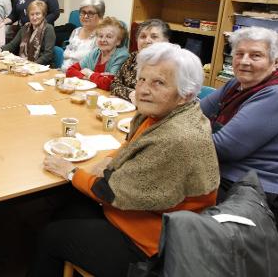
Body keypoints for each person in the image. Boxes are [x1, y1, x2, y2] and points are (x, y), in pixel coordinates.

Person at [31, 43, 219, 276]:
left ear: (185, 95)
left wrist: (70, 171)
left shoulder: (176, 138)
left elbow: (111, 192)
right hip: (143, 215)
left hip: (156, 245)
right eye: (141, 80)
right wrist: (107, 160)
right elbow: (131, 144)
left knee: (52, 235)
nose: (143, 90)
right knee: (67, 205)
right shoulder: (161, 114)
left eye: (158, 83)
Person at [200, 26, 278, 238]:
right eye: (239, 54)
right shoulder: (237, 84)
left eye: (256, 55)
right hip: (229, 177)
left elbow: (223, 147)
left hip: (261, 196)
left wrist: (198, 127)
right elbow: (193, 112)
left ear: (276, 61)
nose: (244, 61)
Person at [111, 19, 170, 102]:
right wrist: (130, 94)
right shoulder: (133, 57)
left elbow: (164, 98)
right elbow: (114, 84)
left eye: (154, 37)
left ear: (166, 41)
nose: (147, 41)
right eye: (143, 37)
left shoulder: (170, 65)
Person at [66, 17, 129, 91]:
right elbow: (70, 70)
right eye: (100, 36)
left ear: (118, 41)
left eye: (109, 37)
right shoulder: (95, 52)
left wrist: (89, 74)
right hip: (93, 92)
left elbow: (109, 84)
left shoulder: (122, 56)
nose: (103, 40)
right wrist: (89, 77)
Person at [2, 0, 55, 65]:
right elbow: (12, 45)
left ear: (43, 15)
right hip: (25, 65)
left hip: (42, 67)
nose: (34, 17)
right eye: (32, 14)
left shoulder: (48, 28)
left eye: (37, 14)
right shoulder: (25, 27)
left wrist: (32, 65)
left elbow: (48, 54)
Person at [61, 0, 105, 71]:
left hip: (82, 79)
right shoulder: (76, 31)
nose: (85, 16)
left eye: (90, 13)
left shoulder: (101, 36)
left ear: (100, 16)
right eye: (83, 12)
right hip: (64, 73)